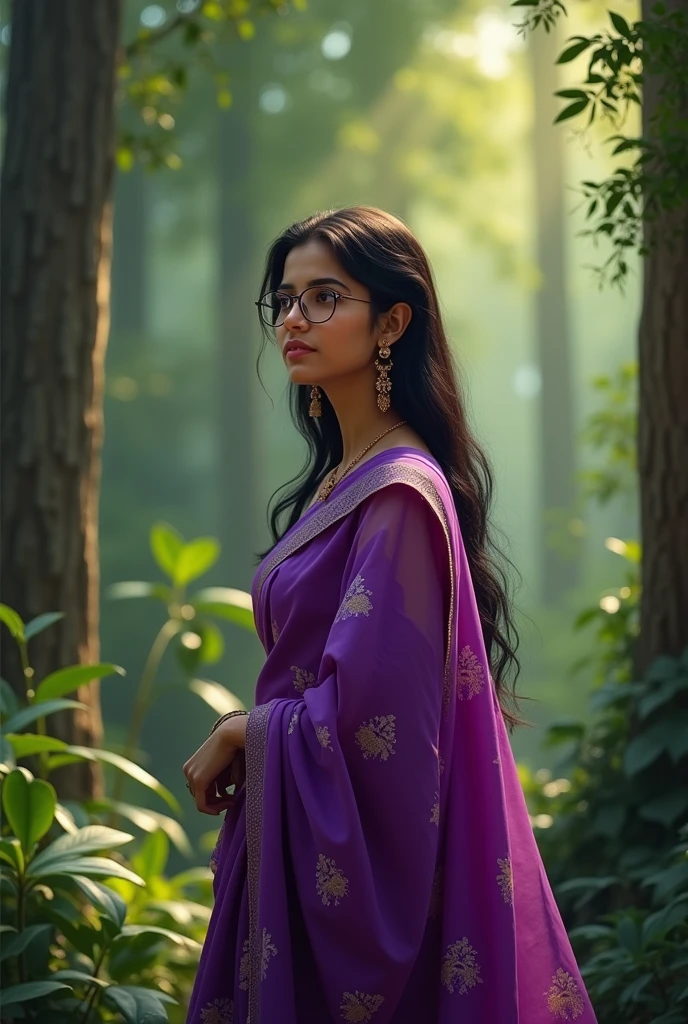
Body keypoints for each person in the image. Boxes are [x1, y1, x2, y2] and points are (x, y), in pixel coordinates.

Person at [183, 205, 597, 1024]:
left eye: (325, 297)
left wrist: (247, 732)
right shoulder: (345, 480)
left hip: (356, 859)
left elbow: (378, 720)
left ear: (392, 323)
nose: (294, 318)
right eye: (285, 299)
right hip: (290, 832)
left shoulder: (401, 492)